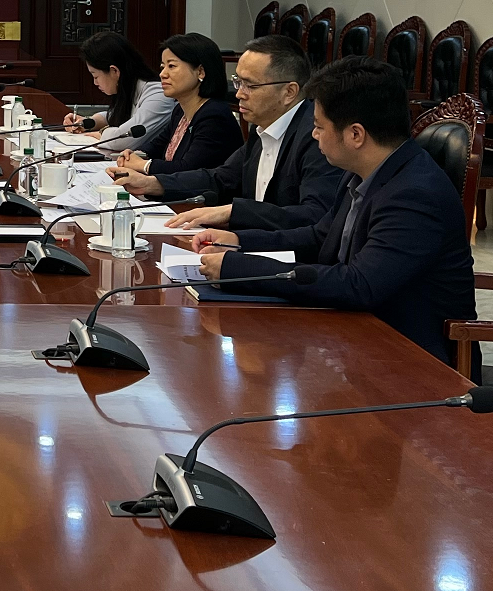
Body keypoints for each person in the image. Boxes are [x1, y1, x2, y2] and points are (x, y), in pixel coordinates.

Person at [191, 58, 476, 363]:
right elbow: (319, 237)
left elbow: (358, 285)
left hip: (412, 361)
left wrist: (237, 268)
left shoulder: (415, 194)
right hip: (353, 340)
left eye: (318, 126)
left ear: (356, 135)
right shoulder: (362, 171)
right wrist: (240, 242)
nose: (313, 136)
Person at [124, 35, 344, 229]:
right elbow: (220, 178)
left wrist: (233, 212)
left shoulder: (316, 137)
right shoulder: (263, 130)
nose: (239, 94)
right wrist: (154, 183)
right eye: (238, 82)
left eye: (250, 85)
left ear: (289, 92)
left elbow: (315, 215)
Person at [106, 33, 241, 181]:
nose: (163, 74)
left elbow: (188, 169)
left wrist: (144, 165)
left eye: (172, 66)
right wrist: (135, 154)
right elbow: (157, 145)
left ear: (200, 72)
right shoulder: (180, 110)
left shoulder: (214, 115)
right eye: (162, 67)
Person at [60, 32, 170, 152]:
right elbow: (116, 114)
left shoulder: (159, 95)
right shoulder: (131, 89)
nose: (95, 83)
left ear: (114, 71)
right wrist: (87, 122)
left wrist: (102, 134)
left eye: (95, 76)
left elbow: (123, 139)